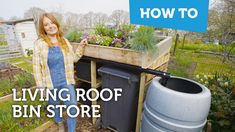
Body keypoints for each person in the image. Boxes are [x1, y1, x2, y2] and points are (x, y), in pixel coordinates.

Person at [33, 13, 87, 132]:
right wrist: (41, 88)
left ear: (56, 24)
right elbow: (36, 67)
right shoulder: (39, 44)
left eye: (52, 23)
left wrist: (81, 47)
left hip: (66, 81)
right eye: (46, 24)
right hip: (50, 83)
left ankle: (71, 130)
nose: (50, 26)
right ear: (43, 29)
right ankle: (59, 122)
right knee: (54, 106)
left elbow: (73, 59)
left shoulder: (64, 42)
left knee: (72, 107)